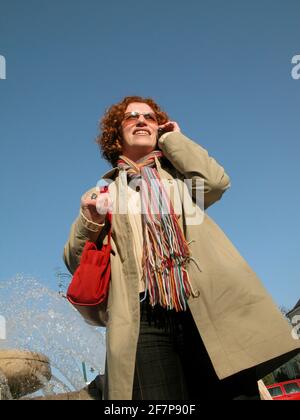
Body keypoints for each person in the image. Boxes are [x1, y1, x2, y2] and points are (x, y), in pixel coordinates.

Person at [63, 95, 300, 400]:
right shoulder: (102, 193)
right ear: (116, 134)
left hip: (203, 304)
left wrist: (174, 139)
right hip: (142, 316)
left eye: (149, 117)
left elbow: (215, 182)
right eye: (131, 116)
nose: (141, 121)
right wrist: (91, 220)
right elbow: (74, 260)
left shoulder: (179, 178)